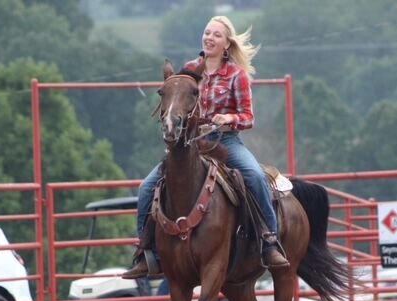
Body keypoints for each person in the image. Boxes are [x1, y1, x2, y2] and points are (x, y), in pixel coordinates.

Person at [123, 15, 289, 279]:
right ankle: (146, 252)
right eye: (207, 33)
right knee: (146, 187)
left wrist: (229, 118)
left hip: (226, 141)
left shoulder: (237, 75)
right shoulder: (190, 70)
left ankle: (268, 241)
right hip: (192, 145)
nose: (209, 38)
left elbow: (248, 117)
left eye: (216, 35)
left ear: (226, 44)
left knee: (255, 176)